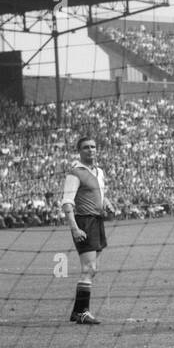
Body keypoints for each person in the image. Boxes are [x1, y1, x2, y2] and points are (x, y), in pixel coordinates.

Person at [61, 135, 113, 326]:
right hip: (84, 222)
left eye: (93, 146)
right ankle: (83, 312)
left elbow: (99, 193)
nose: (90, 150)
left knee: (92, 269)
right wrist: (74, 228)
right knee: (89, 268)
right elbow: (67, 202)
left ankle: (77, 312)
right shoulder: (75, 173)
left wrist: (106, 202)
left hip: (97, 221)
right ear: (79, 151)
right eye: (86, 147)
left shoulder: (99, 172)